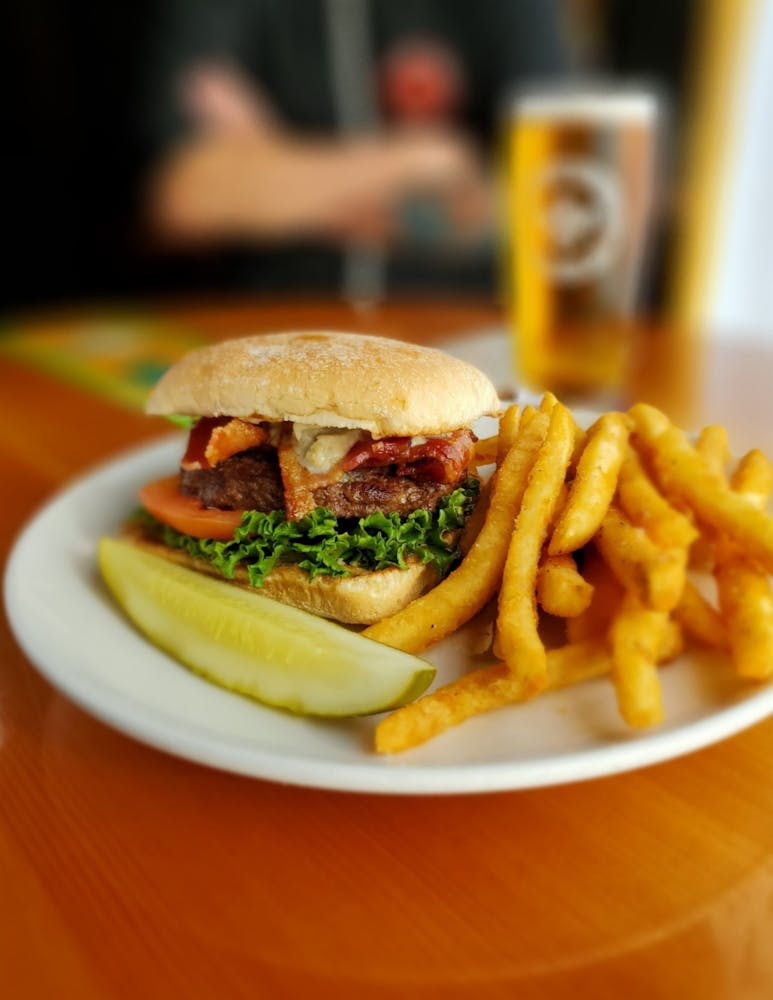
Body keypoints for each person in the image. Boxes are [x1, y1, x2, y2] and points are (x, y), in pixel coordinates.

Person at [139, 0, 572, 299]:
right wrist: (428, 158)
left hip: (456, 330)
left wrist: (274, 170)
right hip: (272, 330)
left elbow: (554, 203)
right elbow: (185, 197)